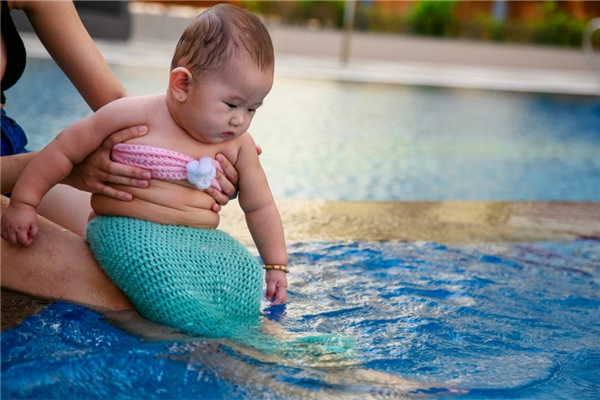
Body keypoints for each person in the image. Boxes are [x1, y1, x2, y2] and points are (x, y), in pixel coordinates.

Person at [2, 4, 288, 338]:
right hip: (129, 232)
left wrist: (275, 264)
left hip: (196, 240)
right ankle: (212, 346)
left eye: (252, 109)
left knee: (239, 271)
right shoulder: (129, 115)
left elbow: (260, 204)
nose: (240, 119)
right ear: (181, 84)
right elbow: (62, 150)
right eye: (231, 105)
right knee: (143, 292)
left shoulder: (236, 143)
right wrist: (24, 203)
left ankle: (253, 331)